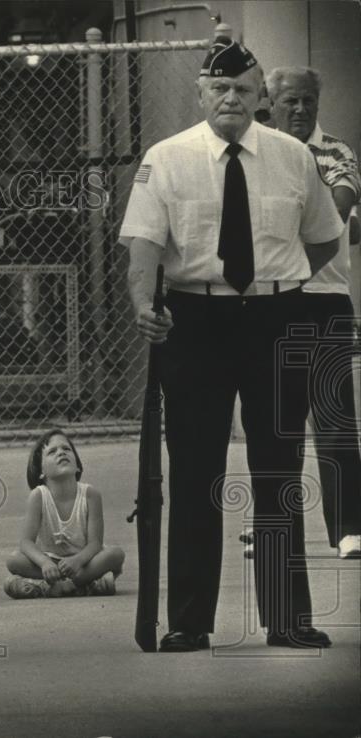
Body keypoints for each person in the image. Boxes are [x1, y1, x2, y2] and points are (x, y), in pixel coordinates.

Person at [120, 38, 344, 652]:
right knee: (195, 470)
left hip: (277, 318)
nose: (231, 99)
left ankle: (287, 617)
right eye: (219, 89)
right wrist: (145, 305)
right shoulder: (166, 159)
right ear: (199, 93)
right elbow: (142, 243)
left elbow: (323, 238)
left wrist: (285, 280)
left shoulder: (293, 157)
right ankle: (190, 620)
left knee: (278, 466)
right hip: (196, 320)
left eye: (243, 89)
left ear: (260, 97)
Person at [267, 66, 361, 560]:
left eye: (308, 102)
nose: (300, 110)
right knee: (275, 418)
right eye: (291, 103)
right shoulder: (257, 150)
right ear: (273, 104)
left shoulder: (337, 151)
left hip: (323, 298)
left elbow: (339, 212)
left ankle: (350, 526)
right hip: (270, 299)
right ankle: (272, 524)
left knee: (333, 414)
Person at [4, 429, 124, 599]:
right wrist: (45, 563)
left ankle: (53, 587)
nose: (61, 452)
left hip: (84, 562)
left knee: (116, 554)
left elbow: (95, 543)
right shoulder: (38, 496)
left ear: (78, 465)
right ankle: (87, 585)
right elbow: (26, 543)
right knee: (14, 560)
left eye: (66, 449)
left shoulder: (91, 495)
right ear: (41, 471)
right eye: (52, 452)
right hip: (50, 562)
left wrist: (78, 560)